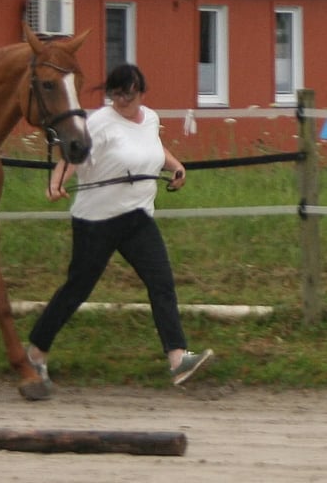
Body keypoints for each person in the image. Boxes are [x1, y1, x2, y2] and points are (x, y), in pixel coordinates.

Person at [26, 63, 213, 389]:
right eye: (117, 95)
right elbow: (72, 155)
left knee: (161, 282)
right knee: (77, 289)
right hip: (97, 221)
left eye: (129, 94)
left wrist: (175, 166)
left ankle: (178, 359)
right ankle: (36, 353)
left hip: (137, 217)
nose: (123, 101)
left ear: (141, 92)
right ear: (110, 93)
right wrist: (56, 182)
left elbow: (153, 146)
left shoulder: (150, 118)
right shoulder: (98, 123)